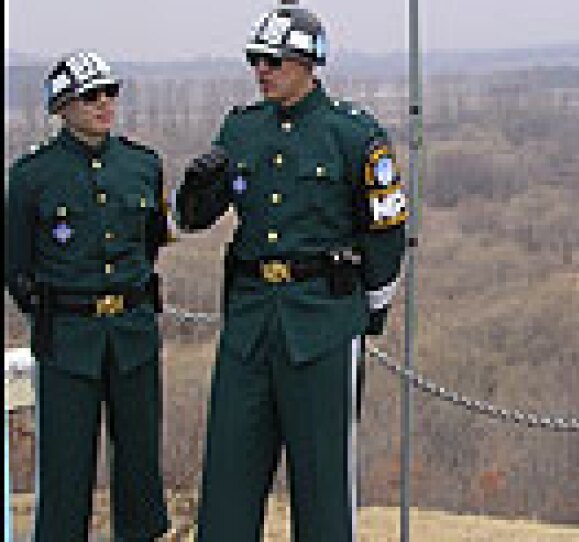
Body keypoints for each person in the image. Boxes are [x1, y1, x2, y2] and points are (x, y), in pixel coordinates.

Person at [174, 1, 407, 540]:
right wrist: (196, 188)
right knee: (230, 476)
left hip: (322, 322)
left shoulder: (353, 135)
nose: (262, 71)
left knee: (323, 485)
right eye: (257, 60)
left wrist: (366, 313)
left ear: (309, 63)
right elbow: (192, 218)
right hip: (250, 322)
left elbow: (386, 231)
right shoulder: (240, 130)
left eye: (274, 61)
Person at [4, 51, 172, 540]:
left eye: (110, 93)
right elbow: (17, 266)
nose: (104, 104)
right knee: (66, 469)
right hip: (68, 340)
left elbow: (149, 244)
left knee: (140, 466)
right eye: (90, 96)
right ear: (61, 106)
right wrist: (54, 314)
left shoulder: (142, 166)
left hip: (133, 336)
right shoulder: (33, 175)